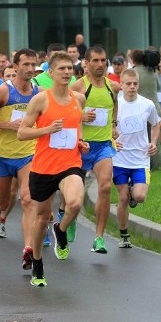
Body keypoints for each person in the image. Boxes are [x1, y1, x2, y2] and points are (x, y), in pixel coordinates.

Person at [17, 52, 89, 287]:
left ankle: (61, 229)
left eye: (70, 68)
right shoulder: (40, 100)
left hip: (70, 163)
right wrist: (46, 130)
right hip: (44, 166)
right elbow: (22, 132)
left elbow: (76, 126)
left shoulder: (78, 99)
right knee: (40, 218)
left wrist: (81, 142)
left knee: (75, 203)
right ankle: (37, 263)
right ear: (50, 73)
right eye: (62, 69)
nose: (67, 72)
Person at [0, 48, 39, 269]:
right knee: (2, 203)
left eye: (34, 65)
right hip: (3, 154)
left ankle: (29, 249)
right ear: (15, 67)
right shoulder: (3, 91)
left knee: (28, 199)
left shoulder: (38, 93)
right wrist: (8, 125)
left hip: (28, 154)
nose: (31, 69)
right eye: (26, 65)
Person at [69, 47, 119, 254]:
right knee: (71, 195)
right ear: (86, 64)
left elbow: (114, 105)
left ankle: (99, 237)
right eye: (96, 61)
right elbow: (64, 110)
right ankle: (69, 218)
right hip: (80, 145)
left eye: (103, 61)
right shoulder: (78, 86)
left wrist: (114, 124)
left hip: (103, 146)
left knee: (105, 187)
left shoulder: (112, 86)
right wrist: (80, 116)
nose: (100, 65)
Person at [112, 68, 160, 249]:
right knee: (123, 198)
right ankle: (124, 235)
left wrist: (153, 142)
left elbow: (156, 124)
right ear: (121, 85)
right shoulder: (115, 105)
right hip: (119, 159)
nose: (132, 87)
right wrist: (112, 141)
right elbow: (106, 127)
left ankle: (134, 193)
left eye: (135, 84)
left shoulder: (147, 104)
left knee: (139, 196)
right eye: (128, 84)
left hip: (140, 158)